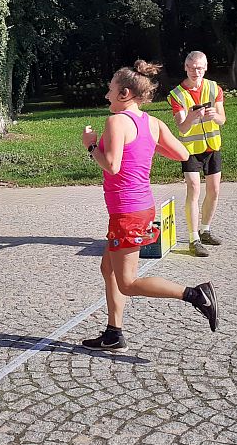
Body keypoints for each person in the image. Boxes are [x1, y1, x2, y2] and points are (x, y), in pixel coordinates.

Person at [81, 60, 218, 350]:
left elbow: (112, 166)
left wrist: (91, 146)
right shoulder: (151, 123)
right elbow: (182, 153)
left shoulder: (116, 122)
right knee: (108, 268)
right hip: (142, 206)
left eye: (110, 90)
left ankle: (195, 295)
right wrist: (146, 144)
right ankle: (113, 333)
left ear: (124, 93)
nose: (106, 95)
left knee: (127, 282)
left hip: (127, 211)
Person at [168, 51, 226, 257]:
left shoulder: (214, 88)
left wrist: (215, 116)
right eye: (192, 68)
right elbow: (182, 128)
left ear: (206, 68)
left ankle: (205, 230)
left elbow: (222, 120)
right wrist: (192, 117)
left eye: (199, 68)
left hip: (212, 146)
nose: (196, 72)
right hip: (191, 150)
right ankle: (194, 239)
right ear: (185, 67)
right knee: (193, 189)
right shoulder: (177, 94)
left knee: (214, 190)